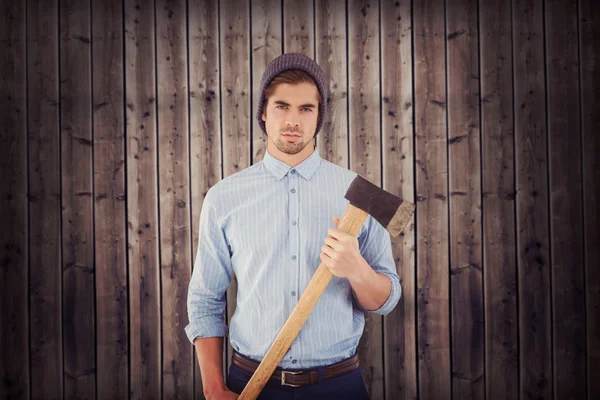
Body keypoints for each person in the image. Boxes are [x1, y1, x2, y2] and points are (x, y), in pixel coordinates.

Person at [185, 53, 401, 400]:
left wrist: (357, 269)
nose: (292, 121)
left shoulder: (357, 196)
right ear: (263, 113)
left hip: (338, 386)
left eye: (306, 109)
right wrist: (212, 387)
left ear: (319, 117)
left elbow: (386, 300)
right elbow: (205, 300)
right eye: (281, 106)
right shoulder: (224, 198)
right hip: (250, 385)